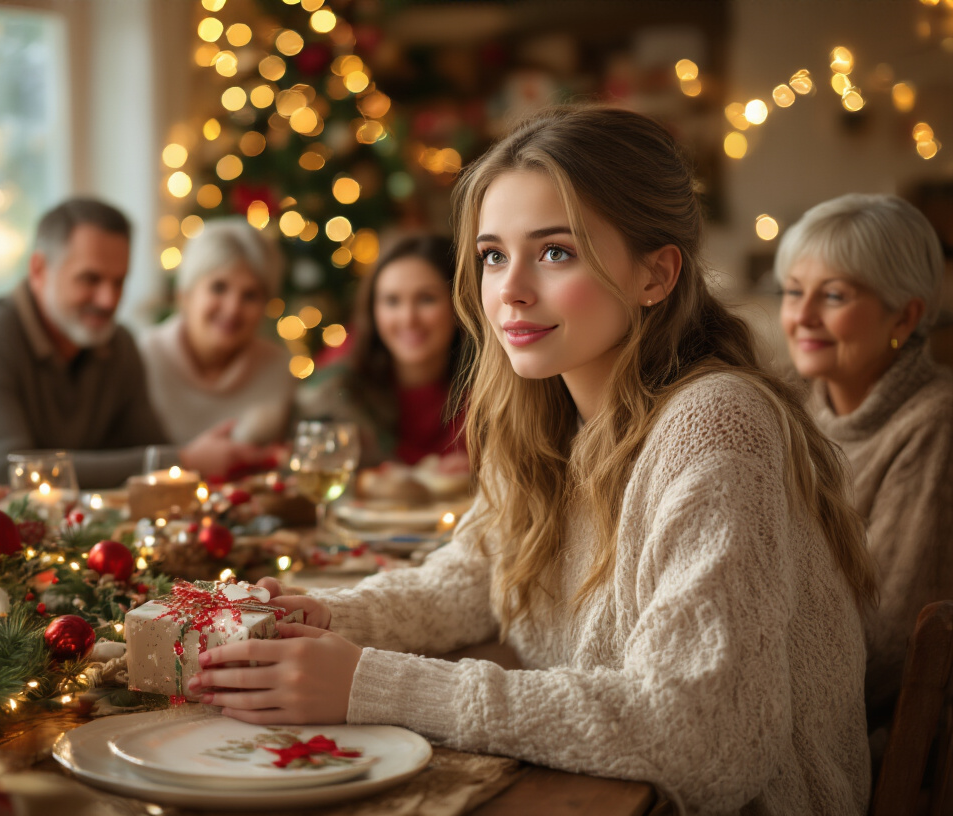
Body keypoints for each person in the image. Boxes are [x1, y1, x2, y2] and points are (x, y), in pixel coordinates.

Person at [189, 107, 877, 814]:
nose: (509, 290)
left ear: (656, 274)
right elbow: (471, 580)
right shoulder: (546, 413)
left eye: (555, 252)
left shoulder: (712, 424)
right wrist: (330, 621)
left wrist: (370, 683)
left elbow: (706, 735)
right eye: (492, 255)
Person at [0, 198, 267, 489]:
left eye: (119, 281)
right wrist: (183, 461)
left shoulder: (119, 345)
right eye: (90, 279)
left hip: (66, 540)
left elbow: (145, 449)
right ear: (39, 270)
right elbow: (13, 475)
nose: (109, 300)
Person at [776, 192, 953, 747]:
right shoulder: (787, 399)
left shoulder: (936, 422)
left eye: (833, 296)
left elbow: (894, 643)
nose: (802, 317)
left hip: (876, 734)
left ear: (906, 314)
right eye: (792, 292)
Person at [300, 234, 466, 467]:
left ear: (460, 305)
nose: (408, 319)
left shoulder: (492, 387)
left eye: (427, 299)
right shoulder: (339, 383)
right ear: (373, 310)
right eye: (392, 301)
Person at [138, 218, 294, 445]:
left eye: (250, 295)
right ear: (186, 294)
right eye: (218, 288)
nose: (232, 309)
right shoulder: (141, 358)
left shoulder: (278, 367)